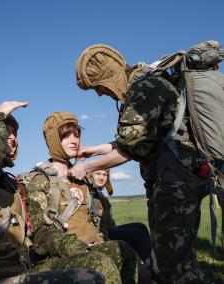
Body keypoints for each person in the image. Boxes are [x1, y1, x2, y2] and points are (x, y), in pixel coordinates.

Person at [70, 43, 224, 283]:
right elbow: (136, 137)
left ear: (109, 76)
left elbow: (128, 149)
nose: (100, 94)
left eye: (98, 86)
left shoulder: (143, 89)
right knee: (180, 260)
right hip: (176, 181)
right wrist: (96, 150)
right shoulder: (145, 85)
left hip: (175, 185)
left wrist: (85, 167)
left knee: (174, 267)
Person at [0, 104, 108, 283]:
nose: (12, 138)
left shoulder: (16, 187)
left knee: (100, 260)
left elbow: (42, 231)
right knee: (88, 277)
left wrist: (76, 248)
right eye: (4, 131)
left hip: (23, 270)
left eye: (14, 133)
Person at [20, 111, 142, 284]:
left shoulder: (84, 177)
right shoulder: (38, 181)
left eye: (76, 135)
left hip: (92, 246)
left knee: (123, 251)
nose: (74, 140)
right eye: (66, 136)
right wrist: (79, 249)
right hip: (58, 256)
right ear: (54, 140)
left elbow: (99, 218)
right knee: (100, 263)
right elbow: (42, 234)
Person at [88, 169, 161, 279]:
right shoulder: (88, 194)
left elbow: (109, 222)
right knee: (137, 235)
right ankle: (157, 273)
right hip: (98, 234)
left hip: (107, 230)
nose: (102, 177)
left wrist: (118, 231)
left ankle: (148, 262)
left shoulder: (100, 195)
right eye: (98, 174)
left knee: (140, 226)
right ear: (90, 175)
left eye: (105, 174)